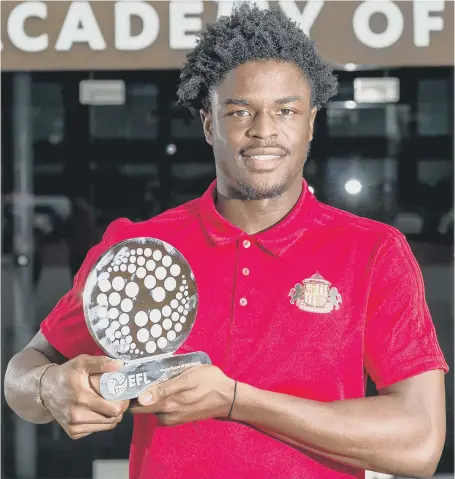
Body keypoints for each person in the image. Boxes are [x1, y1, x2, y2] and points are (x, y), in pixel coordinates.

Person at [4, 5, 448, 479]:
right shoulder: (140, 249)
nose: (263, 129)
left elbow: (419, 444)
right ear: (209, 122)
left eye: (286, 110)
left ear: (311, 122)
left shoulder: (373, 251)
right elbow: (22, 373)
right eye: (240, 111)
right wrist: (51, 386)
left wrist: (237, 401)